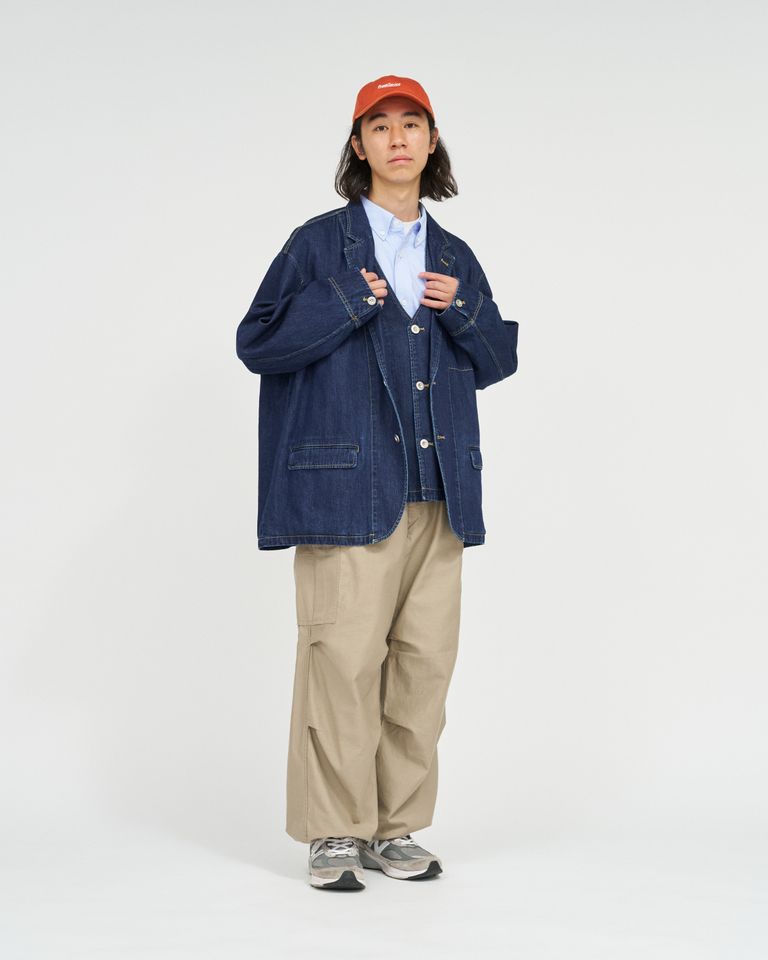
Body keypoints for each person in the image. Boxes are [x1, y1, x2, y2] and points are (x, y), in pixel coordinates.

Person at [235, 74, 519, 890]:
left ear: (432, 142)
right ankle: (334, 830)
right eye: (381, 125)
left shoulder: (454, 255)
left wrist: (464, 311)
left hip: (441, 497)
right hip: (345, 496)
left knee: (423, 670)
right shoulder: (318, 245)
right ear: (359, 145)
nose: (398, 138)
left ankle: (395, 828)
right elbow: (258, 343)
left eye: (412, 124)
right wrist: (342, 299)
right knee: (342, 665)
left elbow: (497, 360)